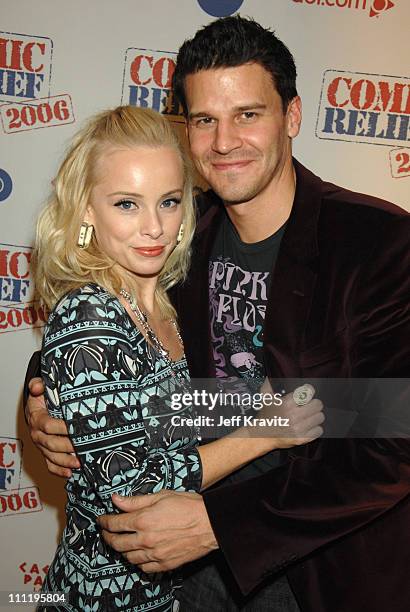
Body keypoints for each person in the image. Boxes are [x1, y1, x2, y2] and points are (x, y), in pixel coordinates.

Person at [26, 16, 410, 612]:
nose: (225, 141)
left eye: (248, 114)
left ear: (294, 117)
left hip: (314, 562)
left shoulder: (378, 240)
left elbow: (394, 437)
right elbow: (107, 326)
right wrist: (47, 400)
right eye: (205, 119)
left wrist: (221, 523)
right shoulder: (181, 231)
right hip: (186, 566)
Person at [30, 103, 324, 612]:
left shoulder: (164, 297)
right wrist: (265, 429)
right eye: (126, 204)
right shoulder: (91, 314)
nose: (154, 228)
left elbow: (177, 409)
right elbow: (133, 487)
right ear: (85, 210)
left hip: (170, 593)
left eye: (168, 201)